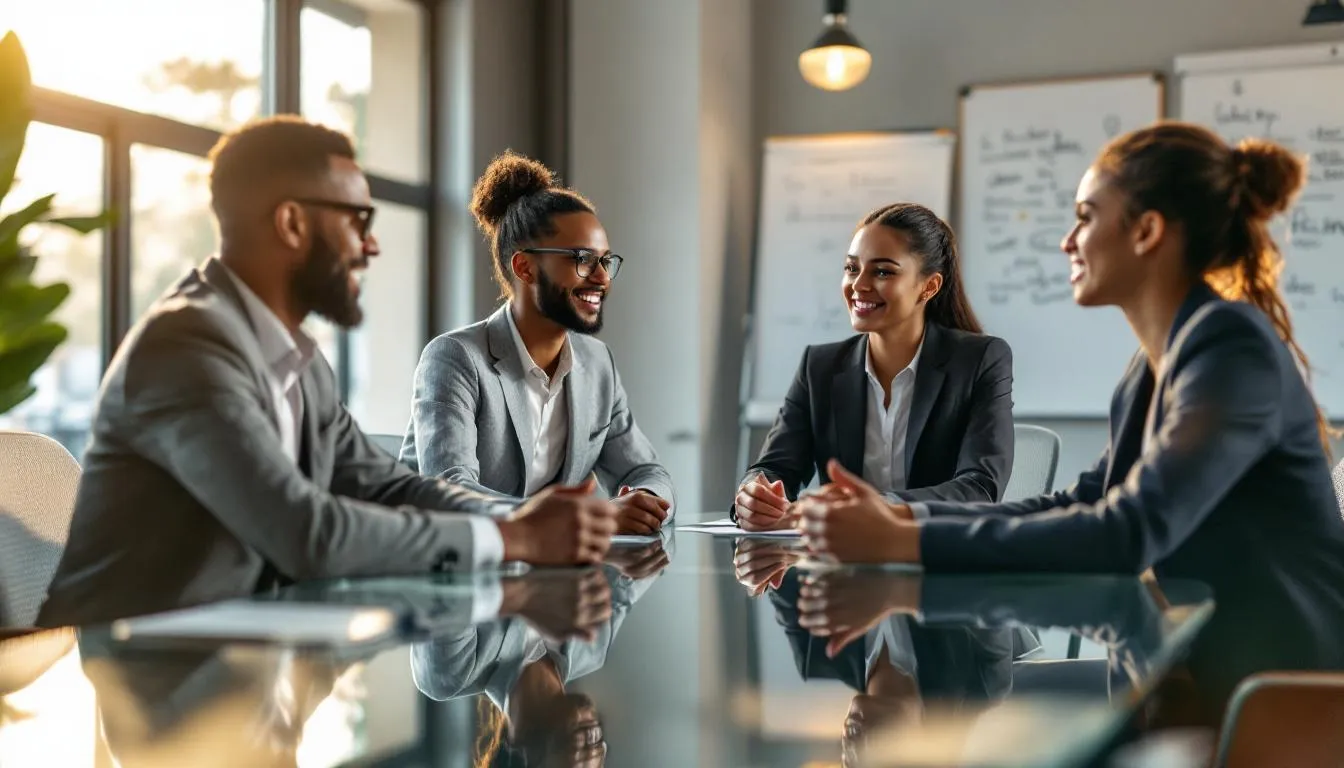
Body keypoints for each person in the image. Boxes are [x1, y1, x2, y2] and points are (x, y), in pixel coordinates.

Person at [798, 122, 1344, 721]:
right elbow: (1085, 501)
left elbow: (1126, 533)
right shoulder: (1156, 362)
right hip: (1194, 679)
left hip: (1278, 698)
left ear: (1146, 231)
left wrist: (903, 541)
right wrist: (902, 518)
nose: (1067, 241)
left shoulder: (1229, 347)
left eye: (1085, 217)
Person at [37, 118, 618, 629]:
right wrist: (514, 537)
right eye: (358, 220)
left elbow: (388, 487)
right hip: (130, 679)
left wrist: (523, 518)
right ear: (292, 223)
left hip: (245, 665)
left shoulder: (300, 361)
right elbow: (304, 532)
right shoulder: (186, 348)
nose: (371, 246)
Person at [400, 151, 674, 536]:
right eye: (582, 259)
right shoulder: (455, 359)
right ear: (525, 267)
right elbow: (449, 491)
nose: (601, 278)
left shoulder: (597, 364)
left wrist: (643, 498)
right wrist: (577, 518)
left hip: (547, 566)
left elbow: (646, 470)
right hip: (446, 563)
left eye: (605, 261)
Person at [733, 202, 1014, 531]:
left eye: (882, 272)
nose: (859, 285)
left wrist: (877, 506)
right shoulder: (819, 367)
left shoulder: (980, 360)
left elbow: (980, 487)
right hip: (841, 557)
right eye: (852, 268)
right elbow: (775, 469)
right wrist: (754, 495)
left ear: (929, 286)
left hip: (936, 552)